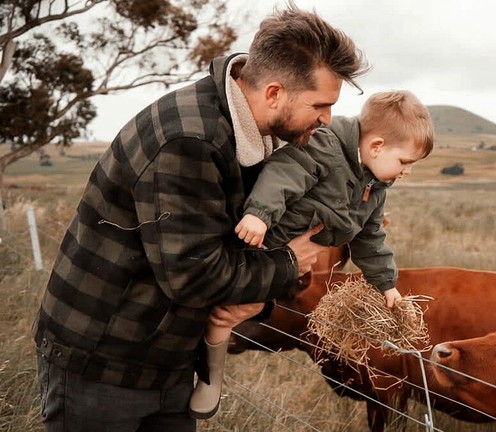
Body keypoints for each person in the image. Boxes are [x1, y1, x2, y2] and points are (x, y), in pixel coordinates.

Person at [32, 2, 369, 431]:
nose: (327, 119)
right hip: (102, 362)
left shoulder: (248, 136)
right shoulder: (188, 141)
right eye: (320, 105)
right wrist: (287, 262)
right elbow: (193, 276)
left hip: (165, 358)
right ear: (273, 94)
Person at [189, 90, 435, 417]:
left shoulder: (374, 187)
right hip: (262, 245)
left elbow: (371, 236)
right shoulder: (325, 147)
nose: (406, 171)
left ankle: (199, 352)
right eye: (405, 162)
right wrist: (259, 214)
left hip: (293, 263)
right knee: (228, 312)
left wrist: (386, 284)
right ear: (377, 146)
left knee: (253, 308)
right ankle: (210, 378)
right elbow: (284, 172)